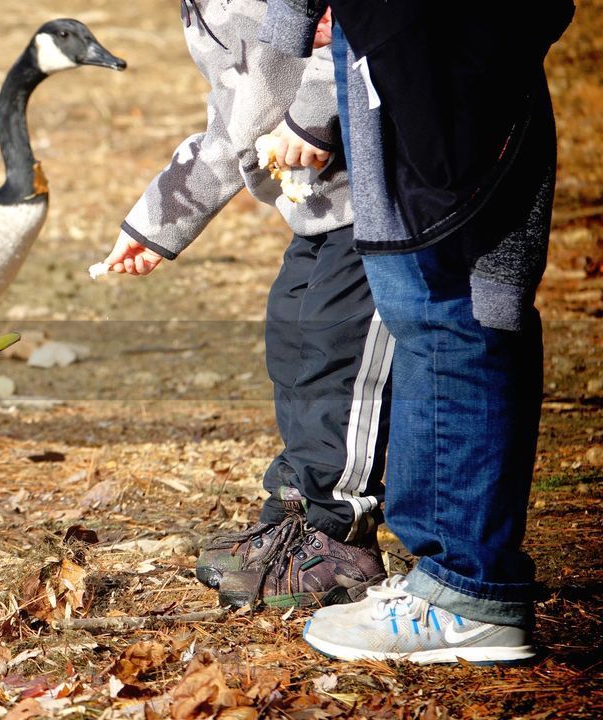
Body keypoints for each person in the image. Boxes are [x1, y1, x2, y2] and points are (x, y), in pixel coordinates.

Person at [260, 0, 574, 663]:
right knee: (440, 301)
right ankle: (456, 580)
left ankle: (464, 590)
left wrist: (290, 30)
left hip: (430, 43)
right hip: (406, 43)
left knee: (452, 307)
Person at [103, 0, 389, 609]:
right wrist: (155, 224)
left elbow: (347, 36)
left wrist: (312, 119)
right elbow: (233, 127)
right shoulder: (203, 12)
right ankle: (294, 516)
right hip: (317, 211)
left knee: (338, 350)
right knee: (291, 339)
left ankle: (341, 534)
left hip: (376, 204)